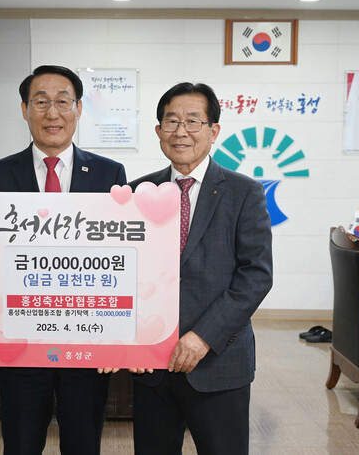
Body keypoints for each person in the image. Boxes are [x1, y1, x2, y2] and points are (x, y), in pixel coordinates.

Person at [0, 65, 127, 455]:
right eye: (41, 102)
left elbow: (120, 259)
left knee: (83, 443)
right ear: (24, 109)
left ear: (78, 108)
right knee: (21, 442)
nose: (52, 113)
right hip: (20, 338)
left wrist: (118, 336)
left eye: (63, 101)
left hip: (87, 339)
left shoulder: (110, 174)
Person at [129, 82, 273, 455]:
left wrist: (203, 337)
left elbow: (255, 276)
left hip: (218, 364)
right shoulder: (136, 193)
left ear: (214, 130)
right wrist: (128, 344)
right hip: (151, 368)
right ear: (158, 130)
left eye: (193, 121)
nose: (181, 132)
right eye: (171, 121)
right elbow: (122, 274)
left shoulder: (244, 192)